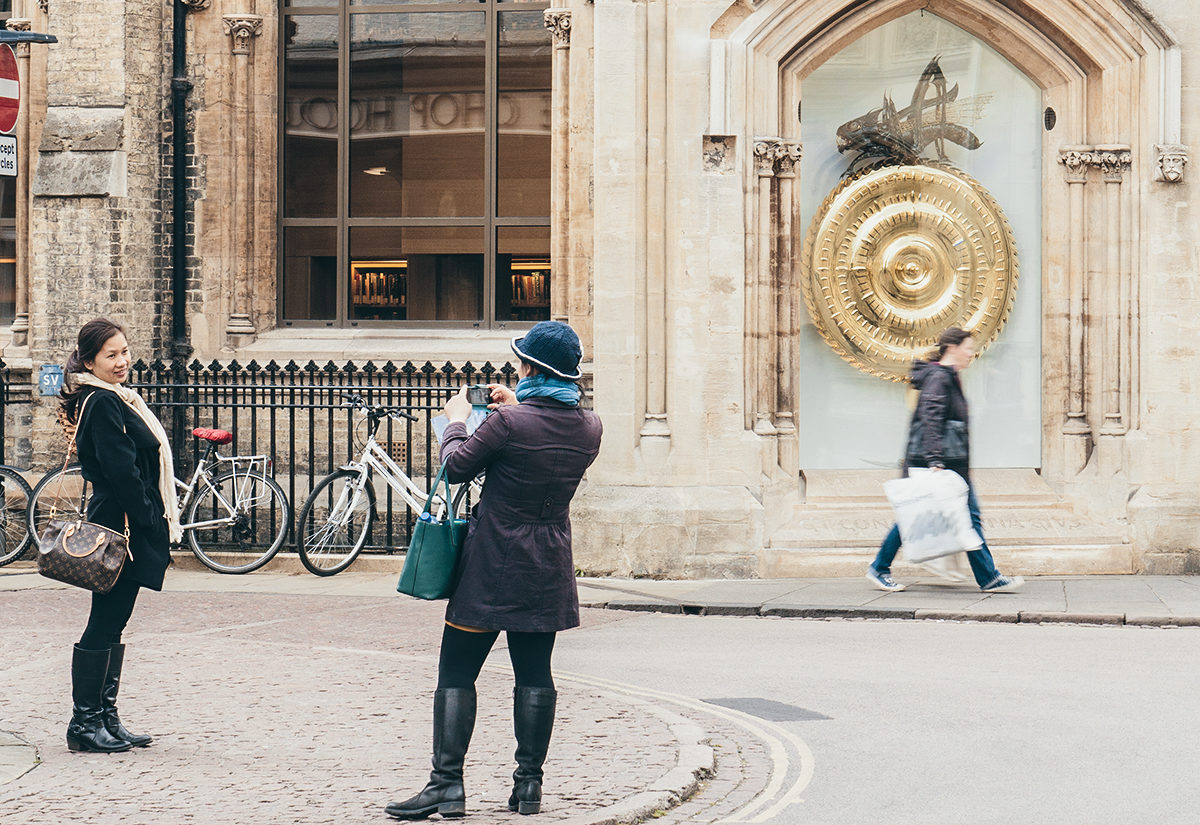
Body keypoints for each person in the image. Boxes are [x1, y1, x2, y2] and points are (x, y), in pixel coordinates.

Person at [385, 321, 603, 820]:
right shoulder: (589, 426)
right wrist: (513, 407)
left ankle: (447, 786)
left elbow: (456, 466)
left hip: (491, 559)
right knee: (534, 674)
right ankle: (529, 787)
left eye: (521, 361)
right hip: (548, 561)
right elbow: (540, 439)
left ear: (531, 367)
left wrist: (457, 420)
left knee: (457, 670)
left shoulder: (507, 424)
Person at [58, 318, 182, 753]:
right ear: (89, 360)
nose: (122, 361)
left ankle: (105, 718)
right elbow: (122, 471)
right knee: (105, 620)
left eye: (125, 351)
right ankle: (84, 724)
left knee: (116, 621)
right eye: (111, 354)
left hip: (130, 522)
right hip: (121, 526)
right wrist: (150, 519)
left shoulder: (119, 399)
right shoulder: (103, 403)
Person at [866, 327, 1024, 594]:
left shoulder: (948, 376)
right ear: (952, 347)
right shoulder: (939, 377)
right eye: (968, 347)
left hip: (951, 463)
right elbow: (931, 419)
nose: (971, 353)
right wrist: (934, 460)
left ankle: (988, 577)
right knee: (916, 517)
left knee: (957, 517)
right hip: (940, 464)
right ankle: (879, 568)